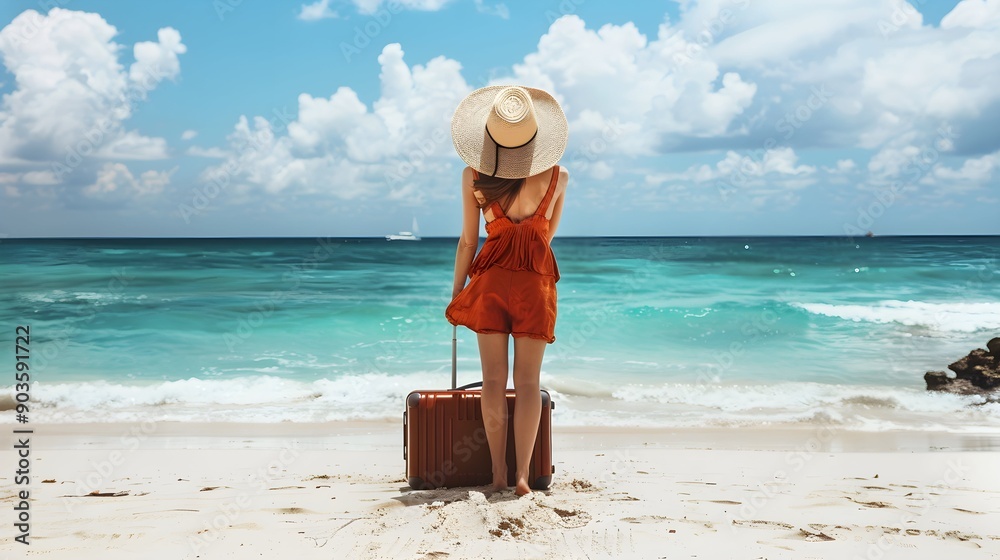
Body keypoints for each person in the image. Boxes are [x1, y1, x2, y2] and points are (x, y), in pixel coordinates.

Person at [445, 85, 569, 497]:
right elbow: (545, 238)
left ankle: (498, 473)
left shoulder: (473, 175)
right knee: (528, 383)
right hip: (535, 284)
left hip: (491, 282)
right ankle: (522, 478)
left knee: (493, 380)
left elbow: (468, 241)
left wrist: (458, 291)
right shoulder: (558, 176)